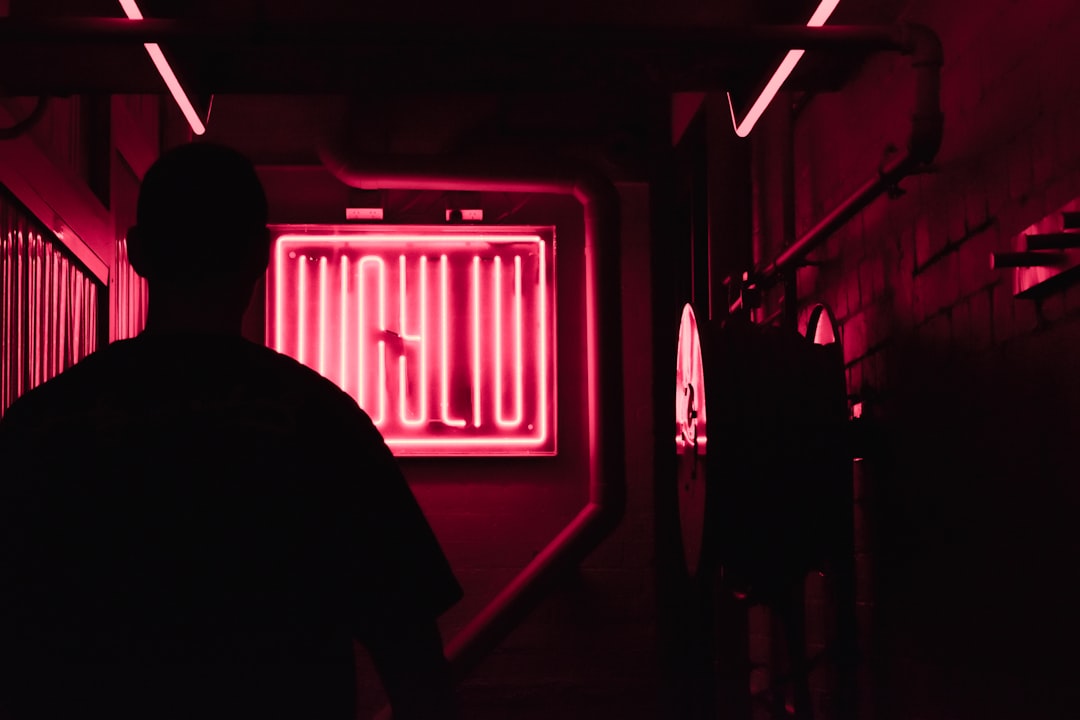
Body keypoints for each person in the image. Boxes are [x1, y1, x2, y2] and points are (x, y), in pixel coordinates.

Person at [0, 142, 462, 720]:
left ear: (138, 253)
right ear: (260, 255)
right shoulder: (322, 424)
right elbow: (412, 655)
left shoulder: (45, 423)